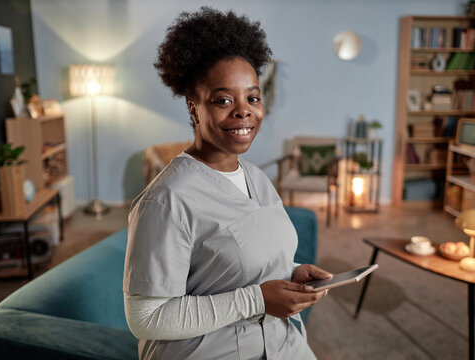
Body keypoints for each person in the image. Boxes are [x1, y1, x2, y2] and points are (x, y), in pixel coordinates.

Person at [123, 7, 332, 359]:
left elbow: (240, 263)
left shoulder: (257, 178)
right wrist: (258, 299)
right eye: (223, 100)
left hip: (283, 345)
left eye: (252, 97)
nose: (243, 111)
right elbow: (146, 319)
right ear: (194, 109)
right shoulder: (167, 199)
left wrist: (292, 272)